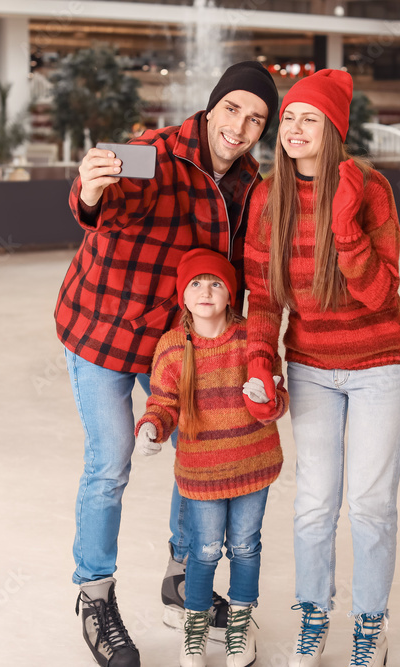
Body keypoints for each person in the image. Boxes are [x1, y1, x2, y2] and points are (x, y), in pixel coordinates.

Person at [55, 61, 279, 667]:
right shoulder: (155, 153)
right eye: (232, 109)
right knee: (111, 463)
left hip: (175, 346)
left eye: (256, 118)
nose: (240, 126)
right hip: (102, 329)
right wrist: (92, 187)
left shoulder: (251, 186)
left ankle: (183, 573)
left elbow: (246, 275)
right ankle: (95, 596)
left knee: (197, 453)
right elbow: (97, 202)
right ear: (211, 109)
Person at [243, 70, 400, 667]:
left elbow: (380, 292)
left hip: (379, 364)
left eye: (308, 119)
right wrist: (259, 361)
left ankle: (371, 623)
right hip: (312, 366)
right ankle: (313, 616)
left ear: (333, 130)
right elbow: (264, 297)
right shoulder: (270, 197)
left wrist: (344, 227)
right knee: (315, 503)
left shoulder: (370, 187)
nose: (293, 129)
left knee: (371, 504)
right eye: (288, 118)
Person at [135, 248, 287, 667]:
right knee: (202, 551)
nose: (206, 291)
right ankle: (195, 628)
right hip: (200, 476)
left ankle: (239, 625)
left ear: (231, 294)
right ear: (182, 295)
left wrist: (267, 398)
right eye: (196, 283)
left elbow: (278, 397)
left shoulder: (250, 340)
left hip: (253, 466)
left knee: (244, 546)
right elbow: (163, 404)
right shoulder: (170, 348)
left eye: (216, 283)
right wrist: (151, 427)